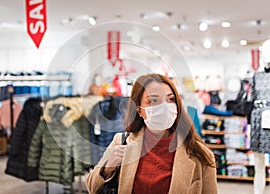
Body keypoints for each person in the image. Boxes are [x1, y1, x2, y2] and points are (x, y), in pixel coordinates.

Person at [85, 73, 217, 194]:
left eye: (170, 99)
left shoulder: (200, 154)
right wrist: (108, 168)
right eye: (153, 101)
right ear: (139, 110)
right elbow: (91, 188)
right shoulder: (121, 142)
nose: (165, 106)